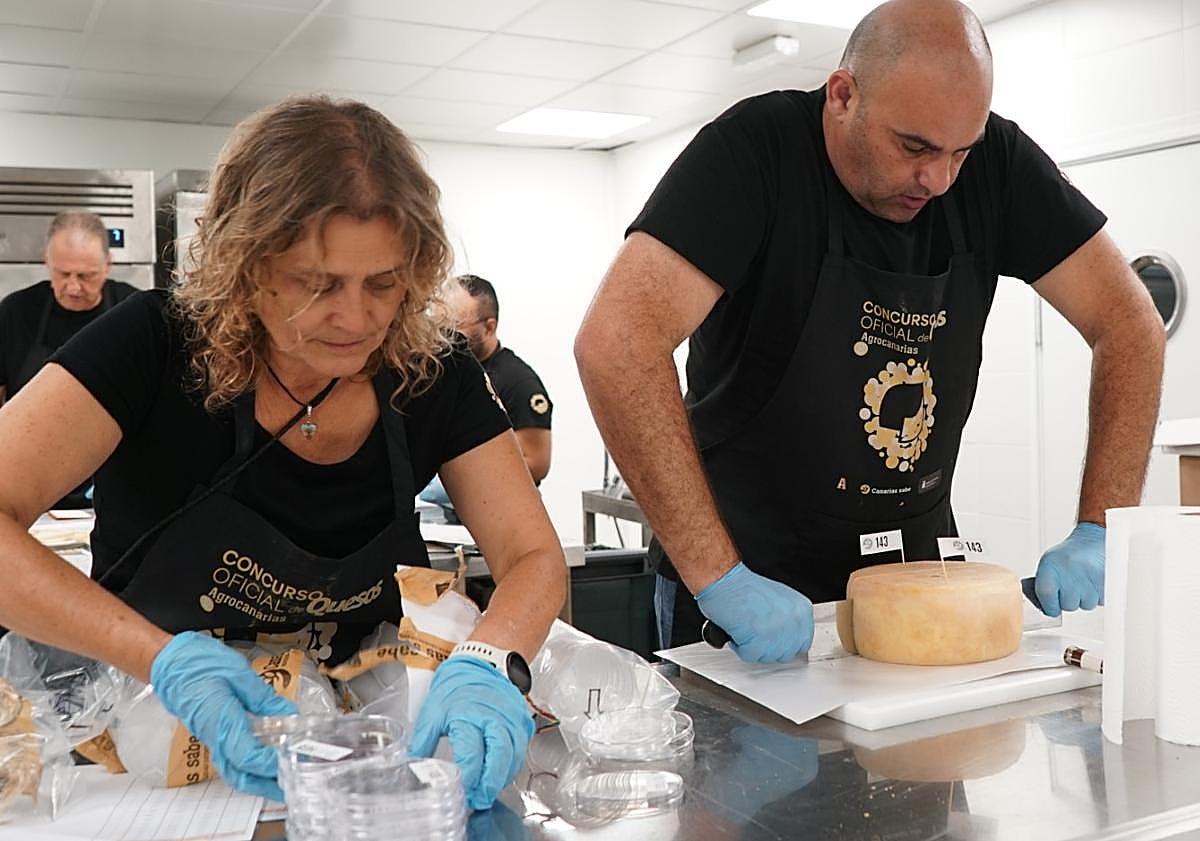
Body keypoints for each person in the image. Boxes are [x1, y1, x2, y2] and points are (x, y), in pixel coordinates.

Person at [0, 96, 566, 809]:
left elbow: (533, 555)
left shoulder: (433, 369)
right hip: (152, 743)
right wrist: (161, 657)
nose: (356, 318)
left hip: (363, 759)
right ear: (244, 260)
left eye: (383, 283)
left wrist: (489, 657)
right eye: (316, 282)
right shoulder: (151, 344)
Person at [575, 0, 1164, 663]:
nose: (938, 180)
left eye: (959, 153)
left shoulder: (998, 166)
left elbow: (1129, 320)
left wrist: (1103, 522)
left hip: (918, 592)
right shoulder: (752, 155)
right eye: (913, 147)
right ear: (842, 95)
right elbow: (618, 342)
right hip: (744, 592)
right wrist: (719, 576)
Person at [0, 211, 138, 507]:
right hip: (29, 488)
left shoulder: (135, 313)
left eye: (86, 276)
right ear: (46, 261)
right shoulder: (15, 312)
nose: (73, 287)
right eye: (63, 274)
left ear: (107, 266)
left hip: (118, 490)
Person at [449, 274, 553, 484]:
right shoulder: (453, 373)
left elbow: (537, 464)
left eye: (457, 325)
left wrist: (464, 475)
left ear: (489, 327)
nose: (447, 335)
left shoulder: (519, 382)